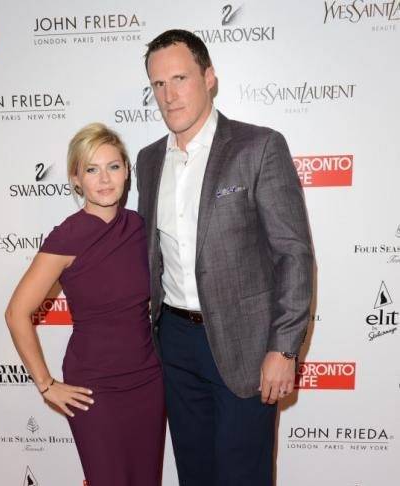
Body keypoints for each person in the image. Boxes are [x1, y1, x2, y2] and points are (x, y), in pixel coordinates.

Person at [136, 29, 313, 486]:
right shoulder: (149, 160)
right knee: (194, 474)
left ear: (209, 77)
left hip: (246, 345)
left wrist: (283, 348)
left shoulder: (258, 147)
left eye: (180, 79)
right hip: (175, 343)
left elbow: (293, 255)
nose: (169, 95)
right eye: (158, 84)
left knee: (243, 476)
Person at [5, 123, 165, 486]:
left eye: (113, 166)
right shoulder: (68, 236)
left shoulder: (140, 227)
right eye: (92, 169)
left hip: (148, 380)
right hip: (94, 388)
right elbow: (16, 313)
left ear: (127, 172)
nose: (104, 179)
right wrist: (46, 384)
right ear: (76, 179)